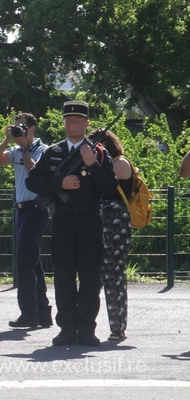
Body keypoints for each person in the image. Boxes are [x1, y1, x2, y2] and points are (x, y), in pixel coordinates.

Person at [26, 101, 117, 346]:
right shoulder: (53, 152)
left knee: (90, 276)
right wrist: (60, 184)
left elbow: (110, 189)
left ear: (86, 123)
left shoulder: (98, 152)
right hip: (63, 219)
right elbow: (33, 183)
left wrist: (93, 166)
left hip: (89, 219)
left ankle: (86, 328)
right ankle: (67, 328)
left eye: (77, 119)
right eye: (68, 119)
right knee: (64, 275)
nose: (72, 123)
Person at [0, 112, 53, 329]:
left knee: (24, 261)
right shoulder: (14, 150)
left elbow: (34, 172)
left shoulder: (45, 150)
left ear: (33, 128)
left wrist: (25, 148)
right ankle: (43, 313)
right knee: (32, 260)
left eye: (22, 127)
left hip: (36, 207)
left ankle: (29, 312)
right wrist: (6, 140)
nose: (19, 130)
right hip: (21, 210)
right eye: (16, 127)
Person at [90, 128, 133, 341]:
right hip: (100, 223)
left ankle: (118, 327)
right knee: (95, 275)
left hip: (115, 225)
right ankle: (86, 325)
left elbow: (105, 185)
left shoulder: (119, 163)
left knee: (114, 276)